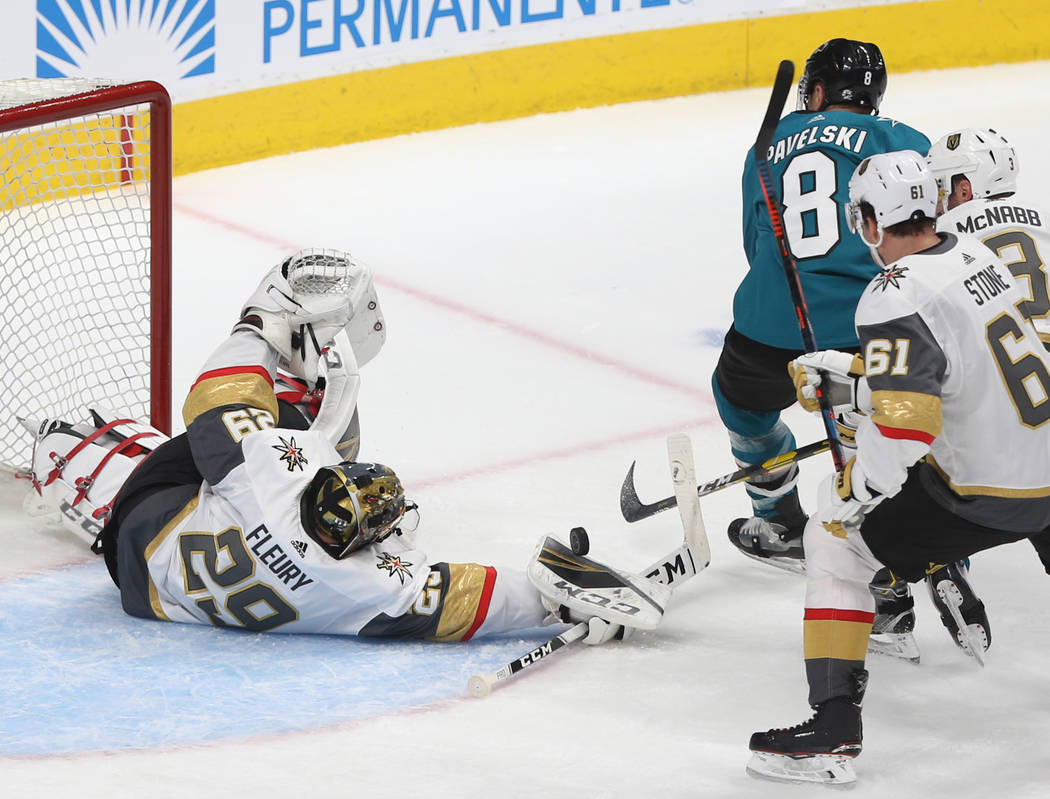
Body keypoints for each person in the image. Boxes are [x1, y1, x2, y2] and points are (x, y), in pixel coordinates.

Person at [22, 248, 668, 645]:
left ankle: (82, 457)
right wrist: (558, 602)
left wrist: (262, 323)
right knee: (290, 420)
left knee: (231, 427)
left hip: (147, 521)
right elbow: (461, 600)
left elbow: (214, 402)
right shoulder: (367, 589)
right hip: (158, 598)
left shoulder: (273, 482)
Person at [746, 150, 1050, 786]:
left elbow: (909, 423)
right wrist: (856, 380)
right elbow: (962, 368)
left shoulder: (891, 291)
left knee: (838, 547)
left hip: (987, 491)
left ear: (868, 220)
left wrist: (861, 487)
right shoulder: (976, 255)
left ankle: (830, 731)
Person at [717, 38, 930, 572]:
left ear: (815, 90)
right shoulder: (905, 141)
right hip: (872, 322)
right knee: (898, 421)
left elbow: (755, 240)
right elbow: (929, 241)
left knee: (741, 403)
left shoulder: (768, 144)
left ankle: (779, 516)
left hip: (771, 320)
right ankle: (918, 534)